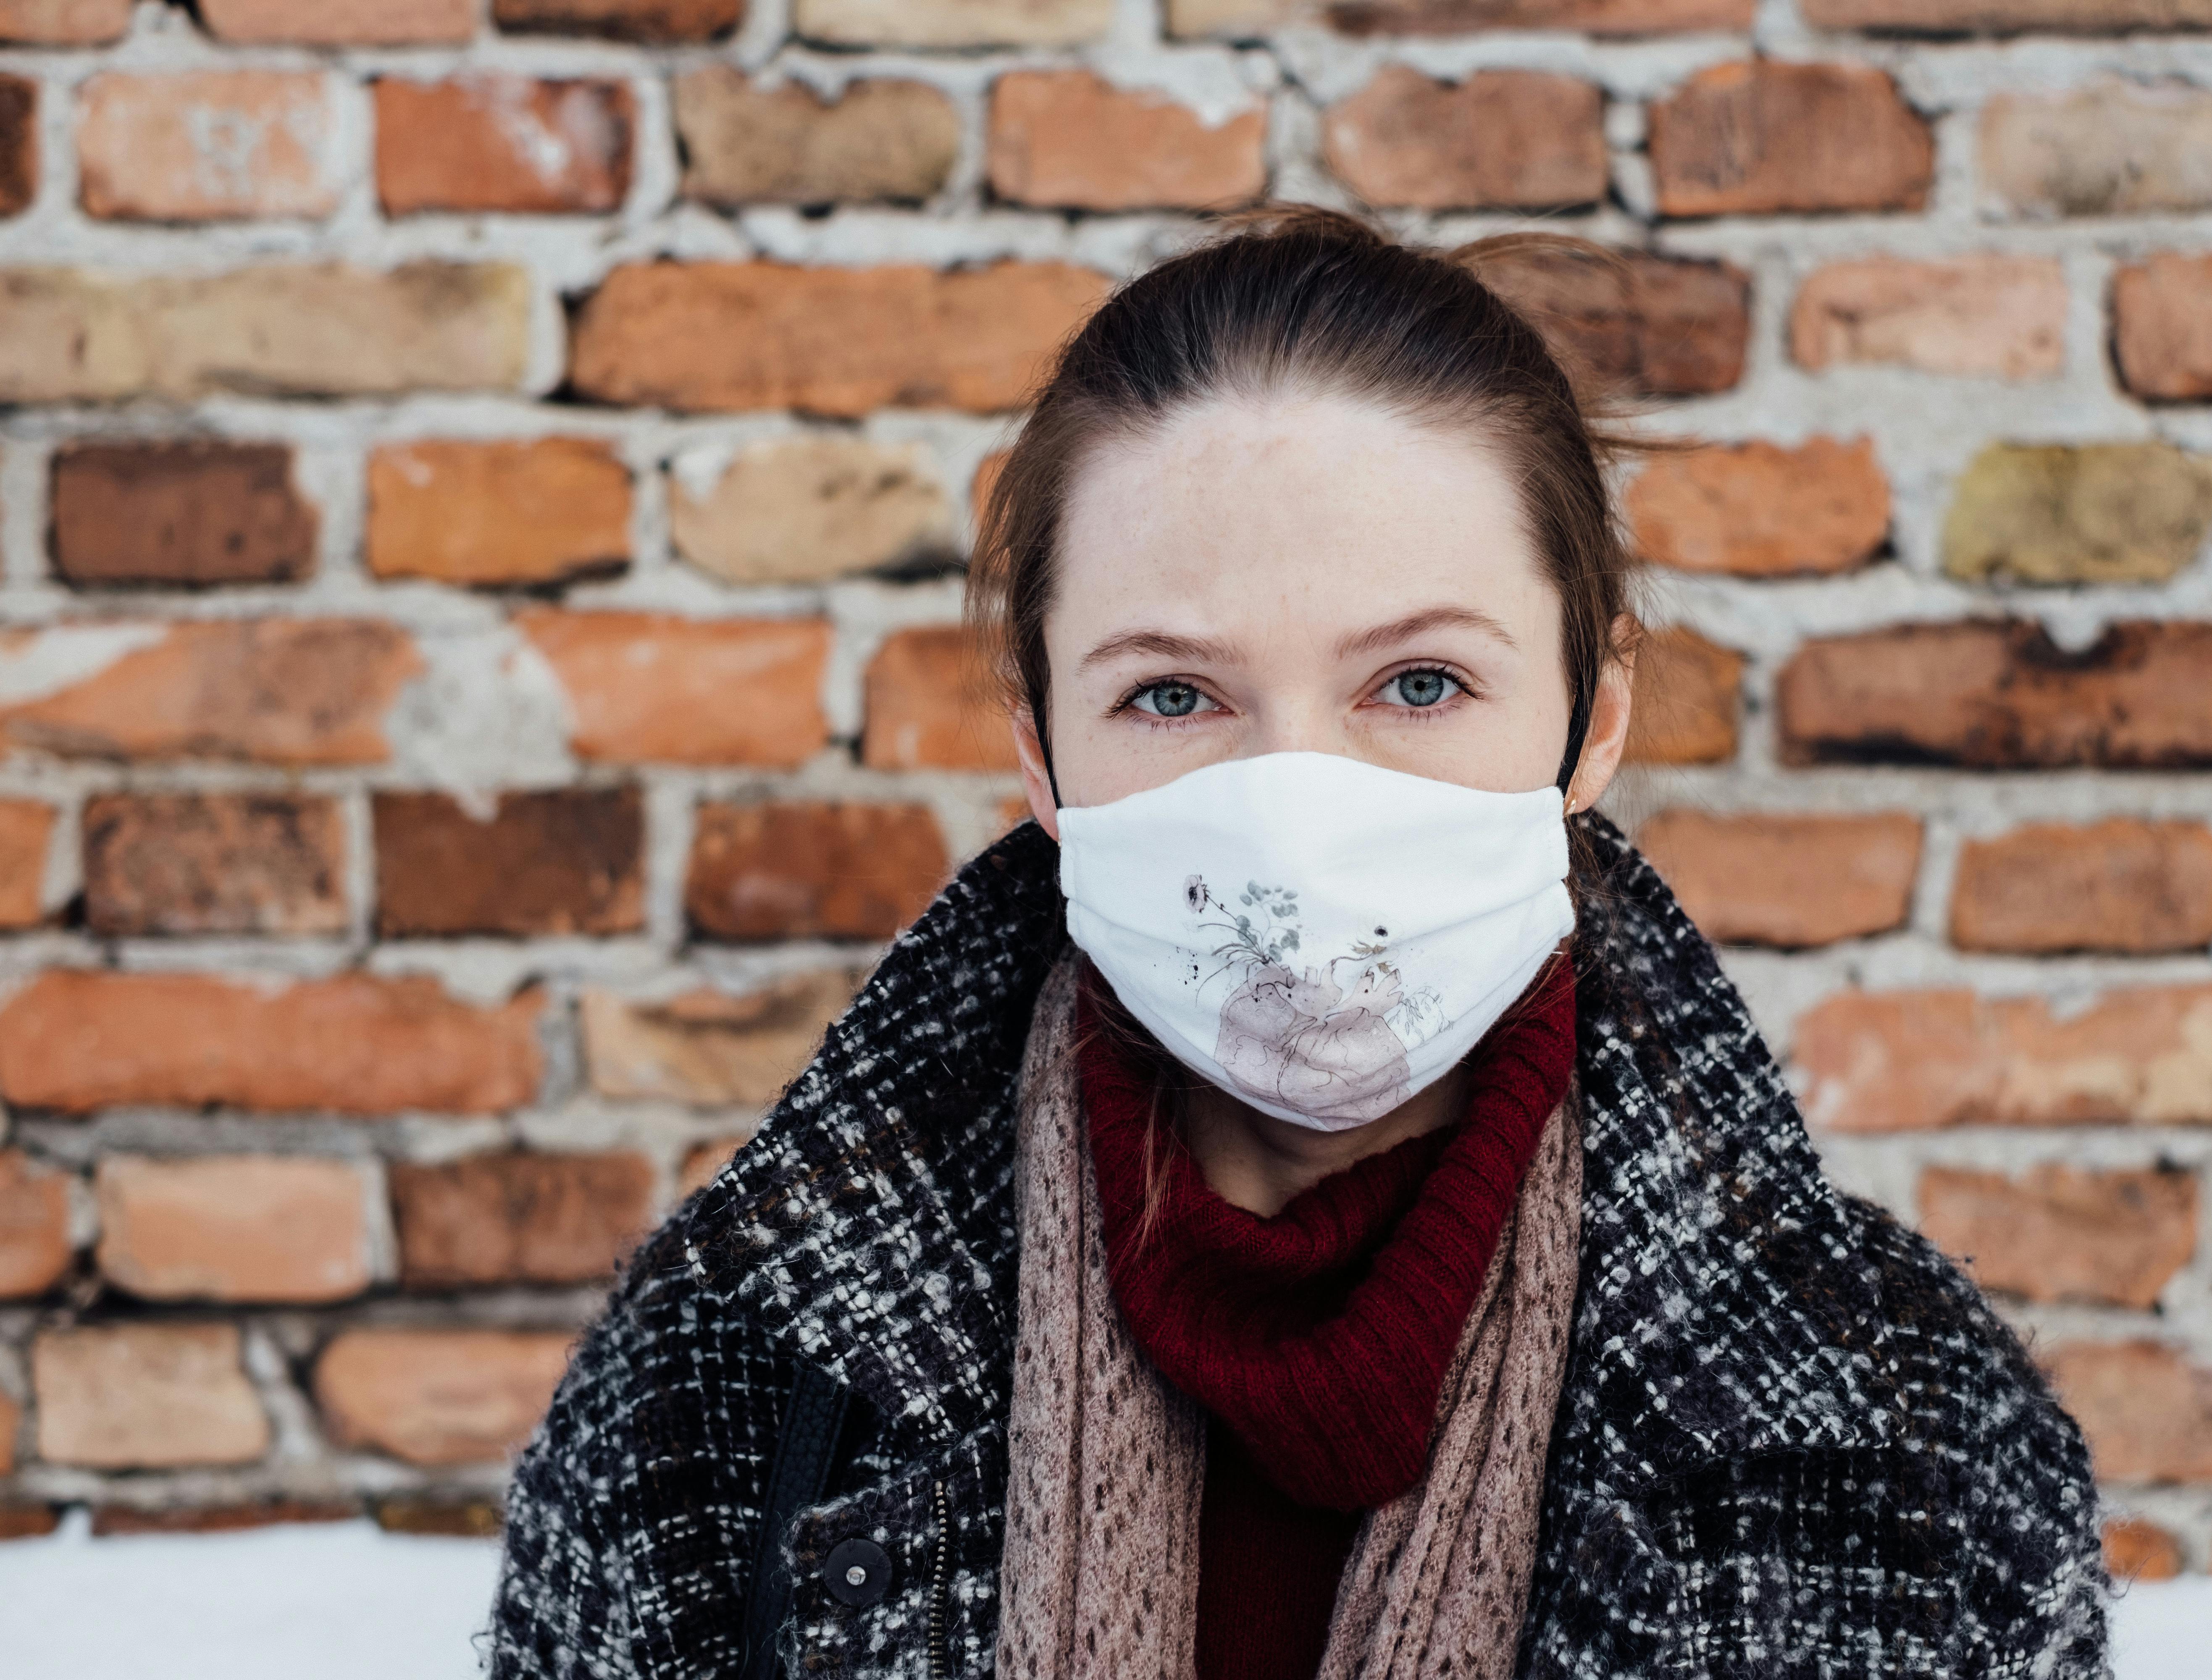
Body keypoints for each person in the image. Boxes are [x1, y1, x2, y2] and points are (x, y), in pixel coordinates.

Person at [488, 207, 2110, 1680]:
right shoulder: (725, 1382)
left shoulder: (1906, 1426)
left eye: (1418, 685)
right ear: (1045, 759)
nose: (1295, 813)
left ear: (1592, 720)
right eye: (1174, 696)